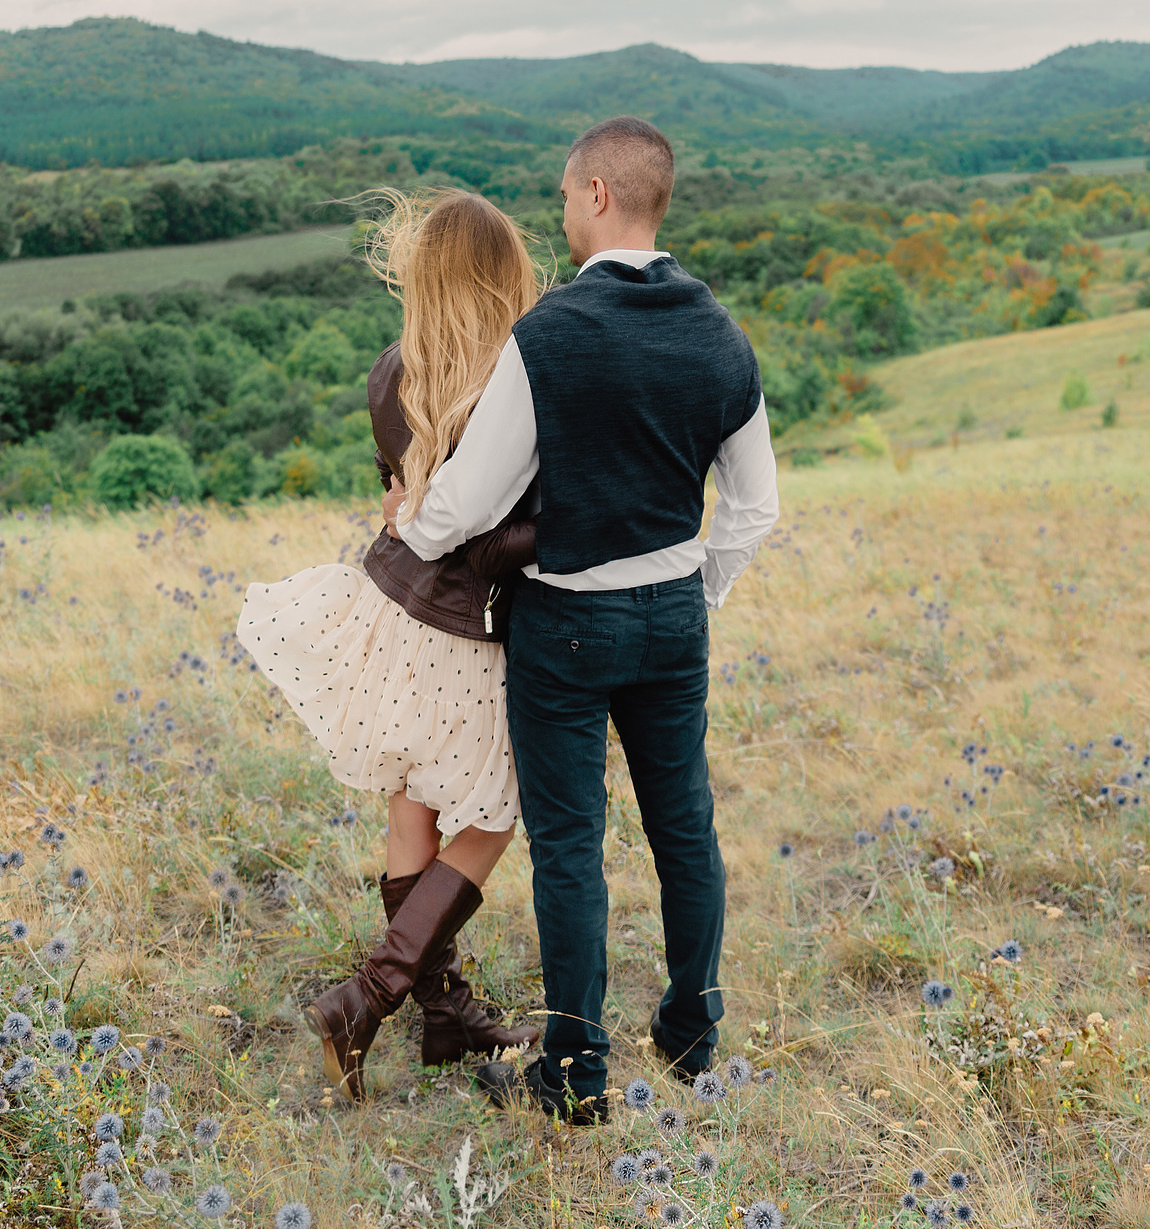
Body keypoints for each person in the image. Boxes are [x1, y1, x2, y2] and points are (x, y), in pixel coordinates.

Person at [383, 115, 779, 1124]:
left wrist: (410, 529)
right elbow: (755, 504)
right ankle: (692, 1032)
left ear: (598, 194)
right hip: (672, 617)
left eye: (565, 197)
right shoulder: (719, 333)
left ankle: (573, 1072)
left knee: (569, 846)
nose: (561, 215)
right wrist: (698, 589)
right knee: (683, 826)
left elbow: (472, 499)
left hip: (563, 622)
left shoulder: (550, 335)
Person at [235, 188, 545, 1102]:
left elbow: (400, 502)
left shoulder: (392, 371)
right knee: (490, 816)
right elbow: (495, 534)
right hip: (469, 627)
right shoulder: (517, 384)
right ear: (504, 274)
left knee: (412, 797)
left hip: (391, 604)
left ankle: (446, 1016)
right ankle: (368, 996)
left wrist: (412, 515)